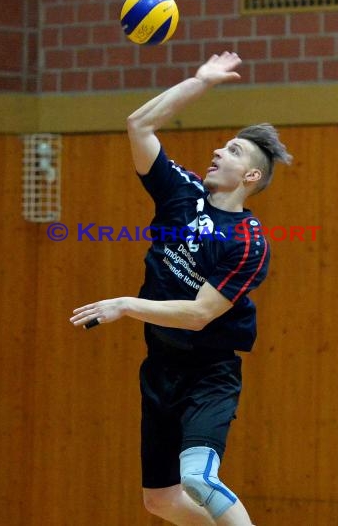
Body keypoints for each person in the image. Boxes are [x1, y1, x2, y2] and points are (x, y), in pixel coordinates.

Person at [70, 52, 293, 526]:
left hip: (207, 376)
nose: (218, 151)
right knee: (160, 499)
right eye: (223, 145)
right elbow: (139, 126)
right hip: (160, 369)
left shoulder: (249, 241)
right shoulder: (181, 194)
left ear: (251, 177)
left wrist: (127, 304)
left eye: (234, 151)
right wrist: (201, 81)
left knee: (198, 478)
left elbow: (198, 314)